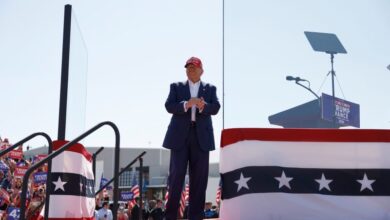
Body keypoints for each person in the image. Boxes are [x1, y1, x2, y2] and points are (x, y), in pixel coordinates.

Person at [163, 57, 220, 220]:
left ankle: (195, 216)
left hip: (201, 137)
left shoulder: (210, 88)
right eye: (188, 68)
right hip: (179, 137)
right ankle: (171, 216)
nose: (190, 70)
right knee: (176, 178)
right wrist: (186, 104)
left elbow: (215, 108)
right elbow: (169, 106)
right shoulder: (176, 87)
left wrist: (203, 106)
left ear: (201, 70)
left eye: (194, 68)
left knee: (199, 180)